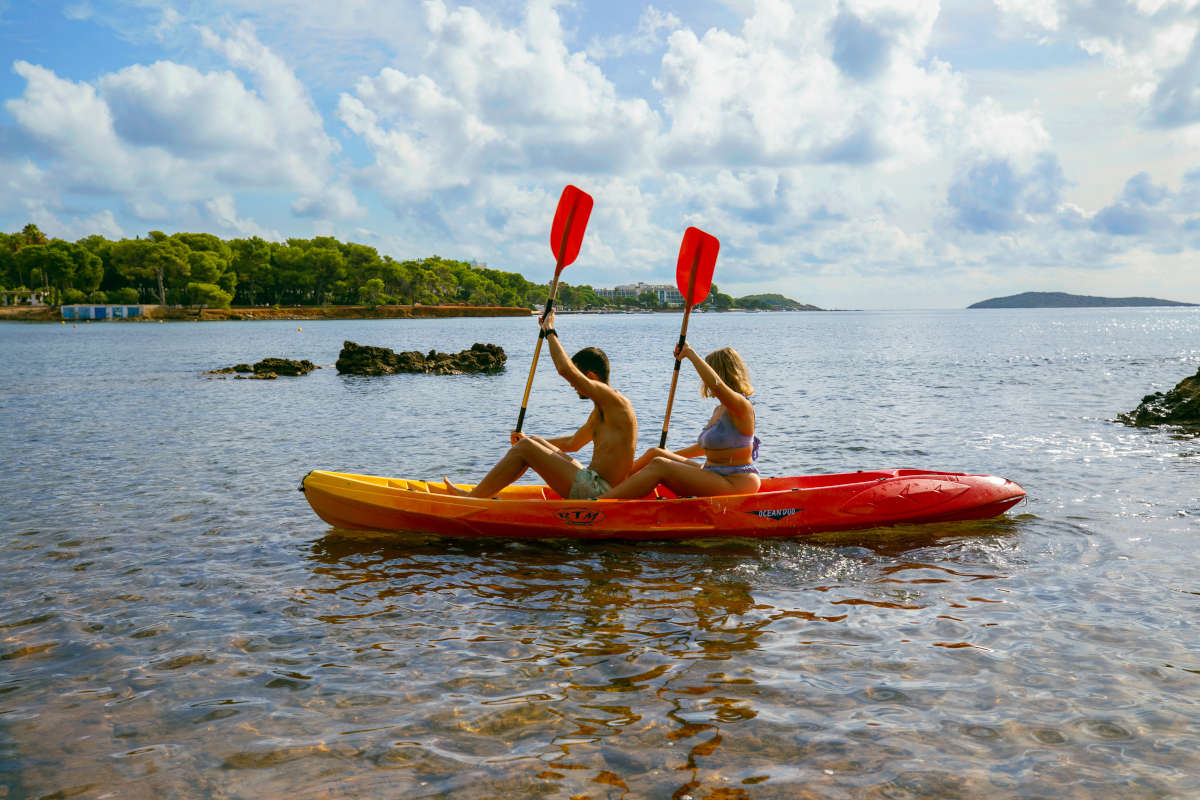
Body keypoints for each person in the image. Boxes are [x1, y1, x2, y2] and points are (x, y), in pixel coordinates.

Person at [444, 309, 638, 499]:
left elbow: (564, 369)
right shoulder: (603, 408)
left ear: (591, 377)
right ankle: (481, 494)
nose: (573, 385)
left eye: (576, 381)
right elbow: (572, 444)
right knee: (532, 442)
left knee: (527, 447)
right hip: (595, 482)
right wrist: (531, 440)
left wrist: (550, 332)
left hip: (599, 490)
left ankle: (473, 500)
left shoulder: (612, 399)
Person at [598, 343, 760, 499]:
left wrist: (690, 354)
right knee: (657, 453)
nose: (705, 382)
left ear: (720, 373)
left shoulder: (741, 406)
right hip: (713, 472)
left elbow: (717, 386)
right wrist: (670, 455)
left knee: (659, 465)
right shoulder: (719, 409)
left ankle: (599, 503)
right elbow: (706, 448)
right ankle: (608, 486)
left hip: (735, 482)